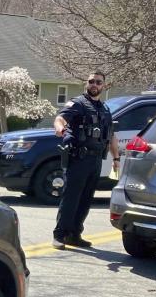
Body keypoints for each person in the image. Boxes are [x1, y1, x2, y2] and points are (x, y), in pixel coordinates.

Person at [51, 70, 120, 249]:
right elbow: (60, 118)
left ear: (103, 86)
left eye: (98, 82)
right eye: (91, 81)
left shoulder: (105, 109)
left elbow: (111, 135)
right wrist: (59, 128)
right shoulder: (78, 103)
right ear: (86, 83)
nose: (94, 85)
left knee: (86, 199)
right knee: (71, 198)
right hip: (78, 159)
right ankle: (59, 235)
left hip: (96, 161)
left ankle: (74, 235)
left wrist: (116, 158)